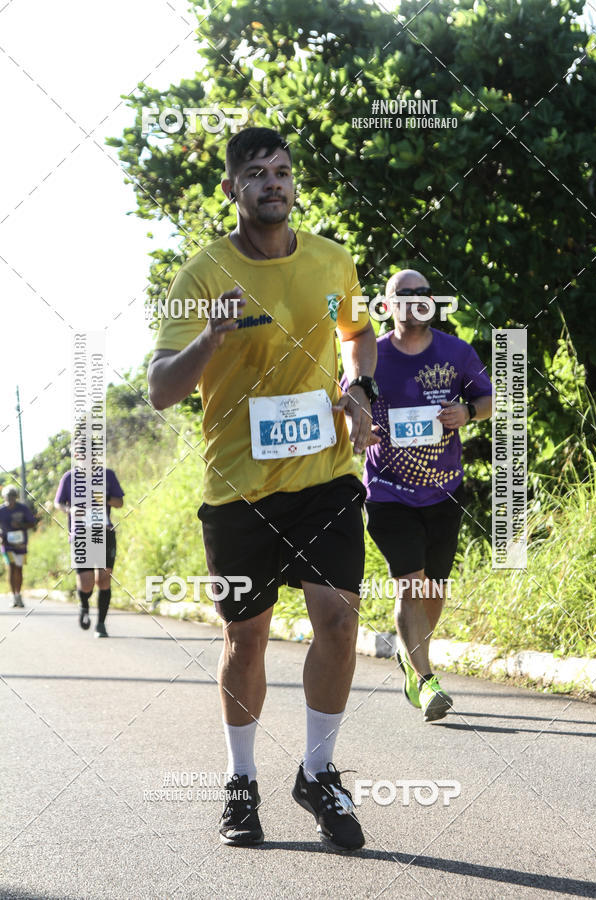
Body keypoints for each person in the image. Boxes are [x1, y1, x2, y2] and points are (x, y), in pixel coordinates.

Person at [148, 127, 379, 851]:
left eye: (282, 171)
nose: (273, 183)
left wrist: (359, 384)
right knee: (246, 637)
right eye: (256, 173)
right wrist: (210, 340)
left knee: (338, 620)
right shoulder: (203, 274)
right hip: (238, 485)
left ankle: (317, 773)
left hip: (325, 472)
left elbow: (358, 331)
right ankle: (241, 781)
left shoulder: (330, 259)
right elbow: (159, 389)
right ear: (232, 190)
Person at [363, 269, 492, 721]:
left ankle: (409, 654)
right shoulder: (369, 354)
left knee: (435, 588)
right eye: (405, 294)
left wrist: (468, 411)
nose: (416, 300)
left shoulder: (455, 351)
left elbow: (491, 398)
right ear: (387, 304)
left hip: (444, 491)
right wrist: (363, 428)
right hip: (388, 492)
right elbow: (347, 408)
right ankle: (426, 678)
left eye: (424, 294)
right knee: (410, 584)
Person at [54, 466, 124, 637]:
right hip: (81, 534)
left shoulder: (108, 474)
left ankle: (101, 624)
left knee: (104, 580)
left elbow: (120, 503)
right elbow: (58, 502)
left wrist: (105, 497)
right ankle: (84, 604)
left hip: (104, 532)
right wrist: (70, 509)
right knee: (86, 584)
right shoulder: (69, 477)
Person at [0, 485, 36, 608]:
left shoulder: (23, 509)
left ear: (16, 497)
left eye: (13, 497)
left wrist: (20, 524)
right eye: (8, 497)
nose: (10, 500)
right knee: (11, 567)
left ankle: (18, 594)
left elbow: (32, 523)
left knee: (19, 569)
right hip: (7, 545)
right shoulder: (1, 510)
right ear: (4, 497)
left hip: (21, 545)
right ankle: (13, 596)